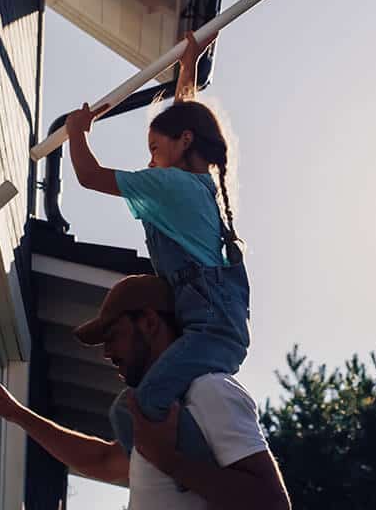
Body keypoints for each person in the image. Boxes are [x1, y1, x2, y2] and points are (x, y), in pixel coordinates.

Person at [63, 31, 251, 468]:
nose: (149, 160)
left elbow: (89, 176)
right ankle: (198, 468)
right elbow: (183, 125)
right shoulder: (199, 185)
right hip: (216, 328)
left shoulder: (168, 186)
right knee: (152, 409)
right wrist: (187, 71)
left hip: (208, 332)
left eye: (153, 148)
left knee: (136, 411)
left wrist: (76, 132)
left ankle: (208, 484)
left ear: (184, 141)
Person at [0, 275, 290, 509]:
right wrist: (15, 412)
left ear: (149, 322)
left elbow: (273, 503)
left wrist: (168, 459)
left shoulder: (209, 389)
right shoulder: (160, 412)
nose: (106, 353)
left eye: (113, 336)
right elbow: (102, 460)